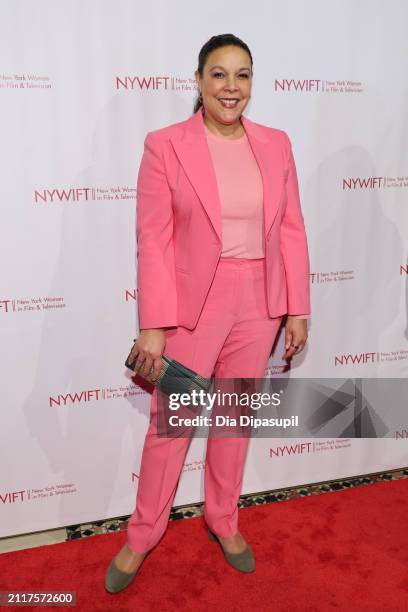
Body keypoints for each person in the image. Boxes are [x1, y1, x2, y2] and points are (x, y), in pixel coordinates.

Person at [105, 33, 310, 594]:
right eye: (218, 74)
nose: (231, 86)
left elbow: (290, 229)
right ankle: (143, 533)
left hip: (260, 302)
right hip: (194, 305)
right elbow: (153, 238)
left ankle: (223, 519)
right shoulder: (165, 144)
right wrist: (153, 325)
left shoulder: (276, 143)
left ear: (252, 84)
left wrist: (297, 307)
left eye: (241, 75)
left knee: (235, 419)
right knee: (173, 422)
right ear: (197, 81)